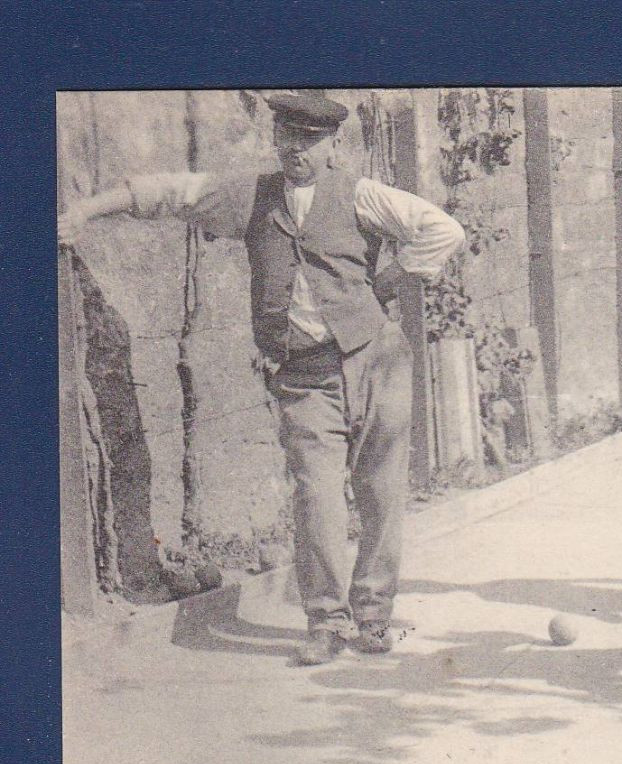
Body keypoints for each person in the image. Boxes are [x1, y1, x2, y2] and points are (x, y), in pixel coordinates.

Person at [59, 91, 466, 665]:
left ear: (333, 146)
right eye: (287, 137)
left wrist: (391, 281)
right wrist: (85, 211)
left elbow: (443, 230)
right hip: (304, 374)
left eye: (309, 140)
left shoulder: (363, 195)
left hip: (375, 362)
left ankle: (373, 618)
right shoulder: (251, 195)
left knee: (379, 493)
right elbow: (171, 194)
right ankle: (326, 622)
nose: (295, 150)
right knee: (317, 497)